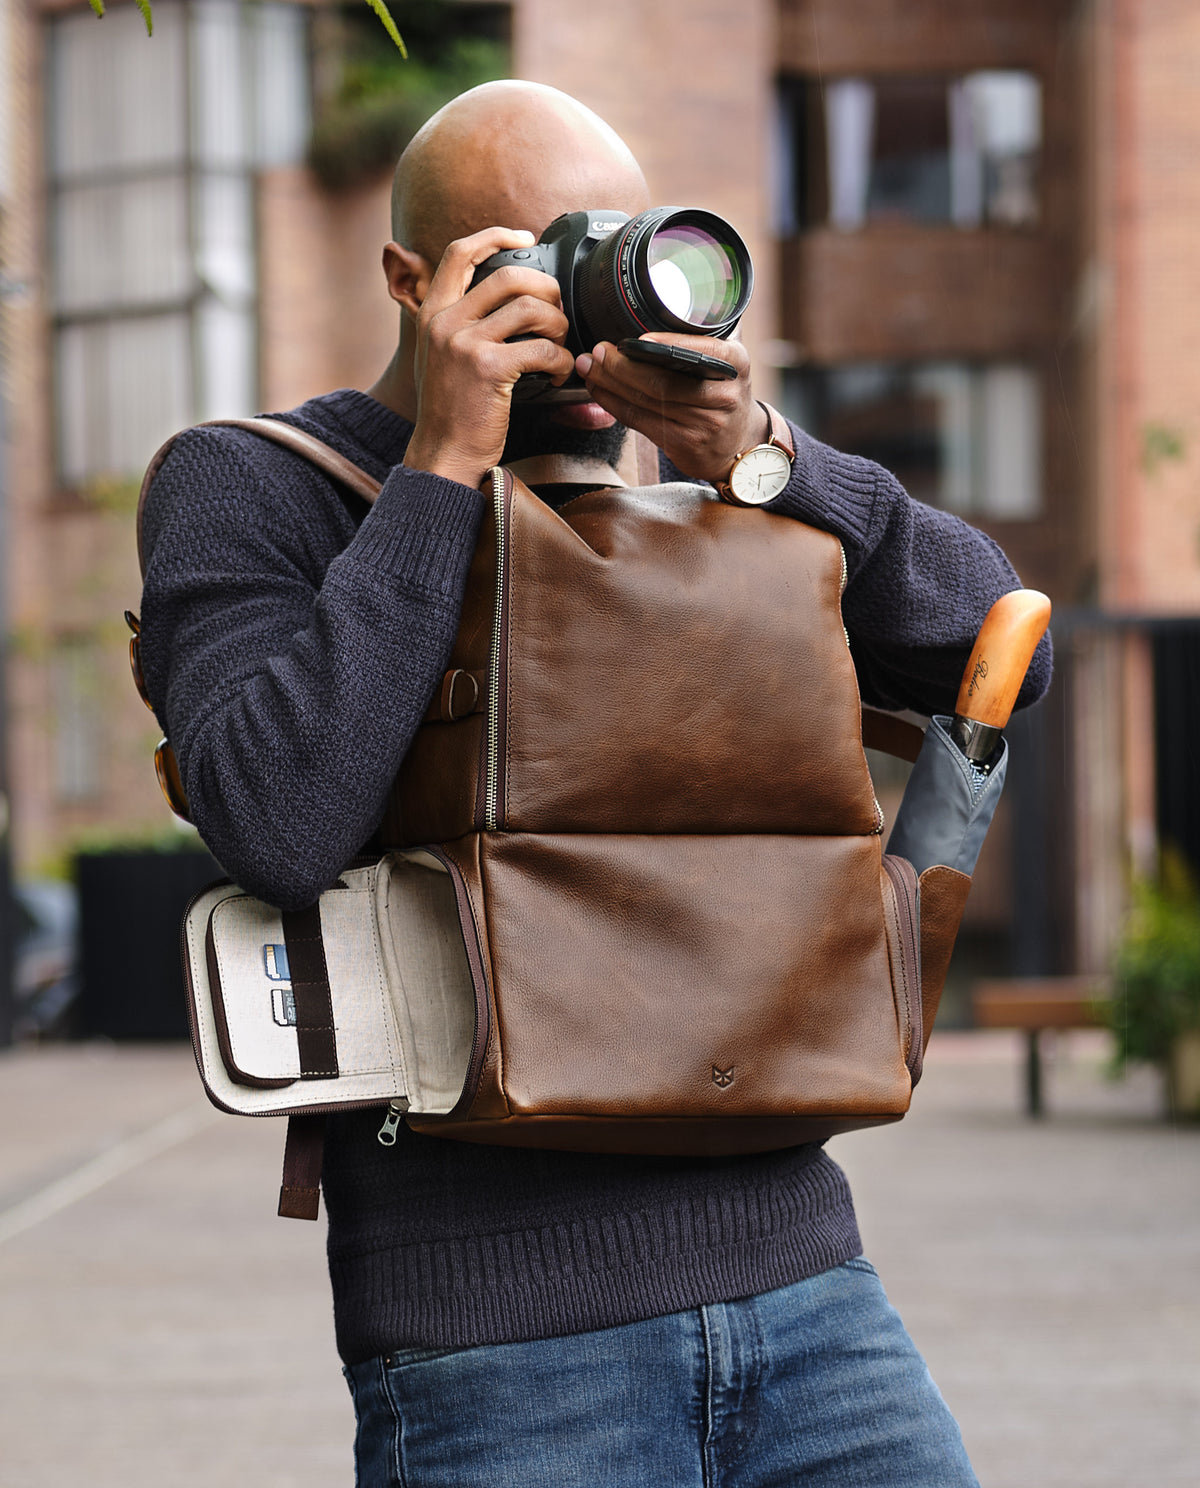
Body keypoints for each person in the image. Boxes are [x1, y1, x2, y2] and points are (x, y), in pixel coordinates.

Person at [139, 81, 1051, 1487]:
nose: (580, 303)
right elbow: (277, 818)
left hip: (810, 1290)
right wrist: (447, 460)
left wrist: (763, 457)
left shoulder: (707, 485)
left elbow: (1002, 648)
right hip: (496, 1349)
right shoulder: (253, 486)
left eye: (607, 250)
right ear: (408, 279)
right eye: (527, 254)